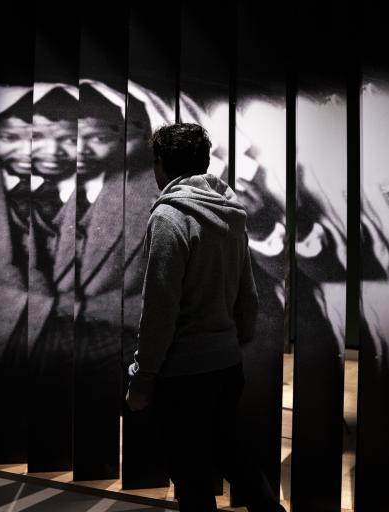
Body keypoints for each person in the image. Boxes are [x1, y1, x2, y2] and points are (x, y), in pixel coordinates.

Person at [125, 123, 285, 512]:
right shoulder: (232, 212)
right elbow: (248, 293)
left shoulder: (168, 216)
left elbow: (160, 309)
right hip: (226, 365)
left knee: (192, 478)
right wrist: (235, 339)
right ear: (204, 161)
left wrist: (142, 377)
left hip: (183, 373)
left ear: (160, 165)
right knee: (232, 455)